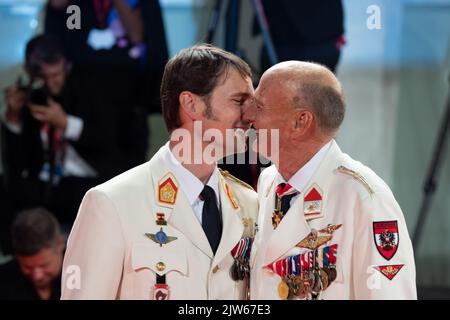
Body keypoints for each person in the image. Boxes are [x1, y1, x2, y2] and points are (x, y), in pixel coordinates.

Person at [61, 44, 258, 300]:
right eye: (239, 101)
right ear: (191, 104)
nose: (251, 114)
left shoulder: (249, 203)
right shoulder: (112, 203)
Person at [244, 61, 417, 299]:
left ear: (300, 122)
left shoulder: (365, 198)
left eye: (260, 106)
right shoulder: (268, 181)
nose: (248, 115)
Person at [1, 35, 131, 225]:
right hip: (46, 185)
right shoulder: (34, 96)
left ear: (66, 66)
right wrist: (12, 119)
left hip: (88, 178)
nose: (51, 83)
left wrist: (65, 124)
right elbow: (17, 166)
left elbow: (108, 140)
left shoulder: (90, 89)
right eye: (44, 78)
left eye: (56, 75)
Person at [0, 207, 64, 300]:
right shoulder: (3, 280)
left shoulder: (85, 272)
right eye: (27, 267)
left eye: (44, 265)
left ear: (60, 244)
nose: (37, 276)